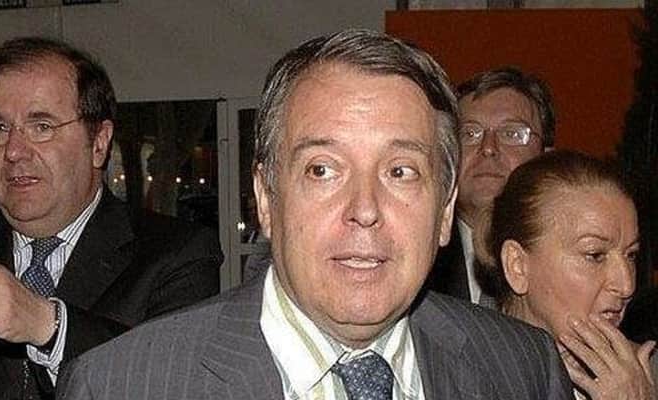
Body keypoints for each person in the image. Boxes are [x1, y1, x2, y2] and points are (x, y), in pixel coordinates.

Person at [57, 29, 572, 400]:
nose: (365, 210)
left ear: (443, 211)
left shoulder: (524, 367)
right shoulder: (121, 385)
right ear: (266, 198)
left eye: (400, 172)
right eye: (323, 170)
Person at [0, 37, 222, 400]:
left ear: (99, 143)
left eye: (41, 127)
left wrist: (48, 325)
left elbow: (173, 382)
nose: (13, 151)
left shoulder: (178, 255)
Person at [473, 150, 657, 399]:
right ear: (517, 266)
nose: (626, 285)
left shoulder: (649, 375)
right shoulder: (454, 375)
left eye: (631, 255)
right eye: (595, 255)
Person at [426, 66, 555, 305]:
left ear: (545, 159)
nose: (488, 148)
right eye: (469, 133)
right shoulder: (419, 255)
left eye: (512, 134)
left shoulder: (573, 259)